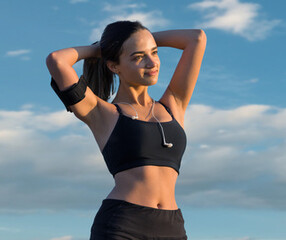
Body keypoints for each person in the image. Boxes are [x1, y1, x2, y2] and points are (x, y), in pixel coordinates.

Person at [45, 20, 206, 239]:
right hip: (123, 225)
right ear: (113, 65)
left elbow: (196, 38)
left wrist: (141, 38)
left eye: (154, 52)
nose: (152, 63)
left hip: (172, 226)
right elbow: (57, 60)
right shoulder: (101, 112)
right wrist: (104, 48)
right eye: (138, 57)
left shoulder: (174, 104)